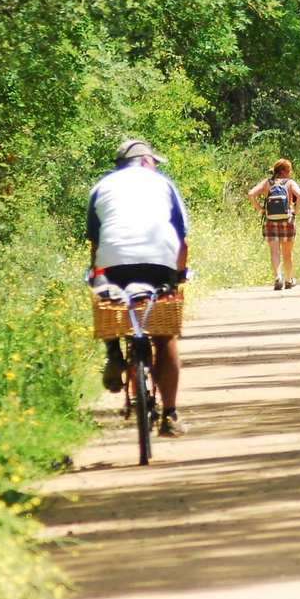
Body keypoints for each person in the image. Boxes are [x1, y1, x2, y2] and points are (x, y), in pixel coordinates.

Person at [86, 138, 190, 438]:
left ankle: (114, 353)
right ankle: (169, 416)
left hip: (113, 262)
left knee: (108, 299)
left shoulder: (101, 187)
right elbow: (182, 239)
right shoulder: (164, 185)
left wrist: (97, 273)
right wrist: (179, 275)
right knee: (164, 336)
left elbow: (95, 242)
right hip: (159, 262)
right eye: (154, 161)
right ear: (146, 161)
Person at [249, 158, 300, 290]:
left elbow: (251, 194)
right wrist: (295, 211)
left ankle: (278, 277)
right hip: (287, 219)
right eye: (289, 170)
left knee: (274, 252)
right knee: (287, 254)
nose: (290, 173)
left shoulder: (267, 183)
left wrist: (261, 210)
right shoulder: (289, 183)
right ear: (284, 171)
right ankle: (289, 280)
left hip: (270, 220)